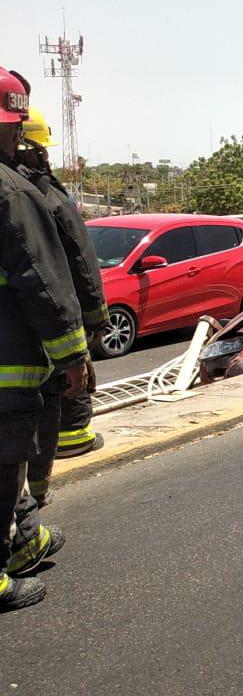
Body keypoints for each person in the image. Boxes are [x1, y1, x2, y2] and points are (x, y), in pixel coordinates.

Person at [0, 66, 88, 613]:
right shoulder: (11, 193)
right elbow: (44, 277)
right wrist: (73, 354)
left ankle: (21, 539)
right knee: (7, 461)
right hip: (8, 363)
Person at [17, 107, 107, 502]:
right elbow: (79, 261)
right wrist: (94, 315)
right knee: (61, 386)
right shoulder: (42, 195)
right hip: (49, 316)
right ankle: (33, 504)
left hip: (22, 323)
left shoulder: (19, 191)